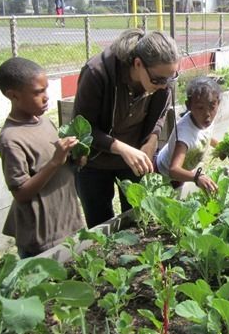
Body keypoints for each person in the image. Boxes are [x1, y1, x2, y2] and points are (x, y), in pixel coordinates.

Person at [72, 28, 180, 227]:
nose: (165, 86)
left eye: (171, 78)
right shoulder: (97, 73)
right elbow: (84, 130)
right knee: (100, 226)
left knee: (138, 220)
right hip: (94, 162)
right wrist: (121, 148)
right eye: (158, 80)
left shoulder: (162, 79)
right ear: (138, 64)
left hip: (134, 160)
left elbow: (160, 114)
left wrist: (152, 139)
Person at [0, 57, 85, 258]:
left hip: (68, 224)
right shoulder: (11, 139)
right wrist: (55, 162)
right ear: (13, 95)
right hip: (42, 236)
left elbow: (61, 166)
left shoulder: (44, 122)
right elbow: (21, 193)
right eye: (37, 92)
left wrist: (76, 158)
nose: (46, 97)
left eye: (46, 90)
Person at [155, 76, 221, 194]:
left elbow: (205, 135)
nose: (207, 114)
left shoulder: (205, 121)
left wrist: (221, 147)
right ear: (188, 106)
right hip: (164, 176)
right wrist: (196, 177)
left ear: (218, 103)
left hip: (183, 172)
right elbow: (173, 170)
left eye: (212, 106)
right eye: (200, 108)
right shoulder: (184, 136)